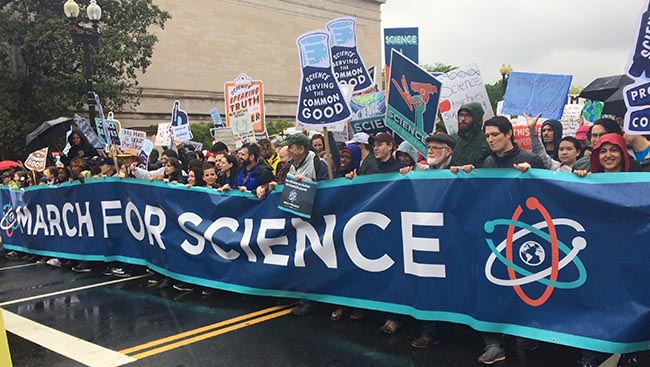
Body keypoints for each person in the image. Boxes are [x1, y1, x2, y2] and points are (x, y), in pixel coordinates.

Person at [452, 116, 544, 365]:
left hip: (524, 234)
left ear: (508, 134)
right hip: (495, 236)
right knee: (490, 285)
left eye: (495, 135)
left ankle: (527, 333)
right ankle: (493, 344)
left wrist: (533, 175)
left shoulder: (531, 159)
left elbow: (549, 191)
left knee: (523, 286)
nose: (490, 139)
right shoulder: (489, 162)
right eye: (488, 136)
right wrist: (469, 176)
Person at [573, 133, 640, 367]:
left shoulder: (640, 183)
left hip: (630, 258)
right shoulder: (589, 182)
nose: (608, 155)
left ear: (623, 153)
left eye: (613, 150)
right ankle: (591, 354)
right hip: (598, 257)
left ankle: (629, 351)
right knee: (596, 305)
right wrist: (579, 181)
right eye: (602, 150)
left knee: (628, 306)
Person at [450, 102, 490, 168]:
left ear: (476, 118)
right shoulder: (451, 139)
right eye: (461, 115)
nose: (463, 119)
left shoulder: (487, 139)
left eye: (467, 115)